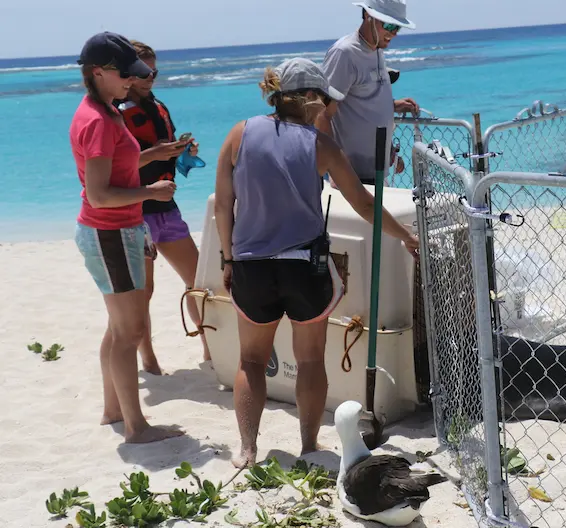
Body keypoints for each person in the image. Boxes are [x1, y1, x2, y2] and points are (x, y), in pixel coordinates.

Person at [214, 57, 419, 468]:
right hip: (304, 267)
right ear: (308, 98)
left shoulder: (239, 134)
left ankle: (248, 450)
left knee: (251, 360)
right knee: (309, 360)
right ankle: (309, 446)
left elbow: (224, 204)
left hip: (252, 266)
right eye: (326, 99)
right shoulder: (320, 145)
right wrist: (406, 237)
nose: (331, 107)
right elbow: (362, 203)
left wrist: (228, 256)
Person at [70, 31, 184, 443]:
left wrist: (156, 155)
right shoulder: (98, 120)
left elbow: (122, 161)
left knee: (119, 328)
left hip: (119, 231)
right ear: (98, 73)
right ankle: (136, 427)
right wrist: (149, 193)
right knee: (128, 332)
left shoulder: (105, 110)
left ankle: (113, 410)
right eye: (126, 75)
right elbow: (99, 194)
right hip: (109, 233)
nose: (132, 81)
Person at [118, 40, 211, 373]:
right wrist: (157, 153)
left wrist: (182, 152)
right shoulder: (116, 114)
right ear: (126, 73)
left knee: (199, 281)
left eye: (154, 70)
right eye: (144, 71)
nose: (151, 77)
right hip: (135, 212)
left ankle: (210, 347)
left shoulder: (159, 107)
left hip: (166, 209)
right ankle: (149, 358)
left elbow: (164, 155)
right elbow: (113, 167)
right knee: (144, 291)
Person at [316, 0, 419, 185]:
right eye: (389, 25)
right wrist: (336, 164)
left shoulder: (377, 49)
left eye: (398, 27)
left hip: (378, 171)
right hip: (352, 176)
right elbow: (322, 113)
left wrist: (393, 106)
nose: (393, 33)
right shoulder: (345, 53)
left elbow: (359, 97)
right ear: (368, 16)